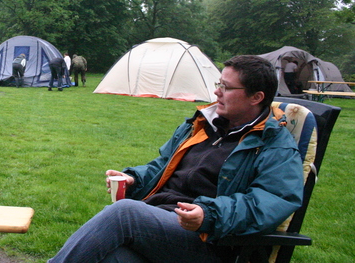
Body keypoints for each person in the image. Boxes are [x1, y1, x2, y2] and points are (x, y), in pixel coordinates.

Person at [49, 55, 304, 263]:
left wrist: (210, 214)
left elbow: (273, 199)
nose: (217, 92)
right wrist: (134, 178)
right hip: (163, 224)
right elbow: (163, 165)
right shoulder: (202, 125)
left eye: (226, 87)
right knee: (111, 258)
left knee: (124, 214)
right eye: (219, 84)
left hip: (211, 241)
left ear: (256, 97)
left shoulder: (274, 144)